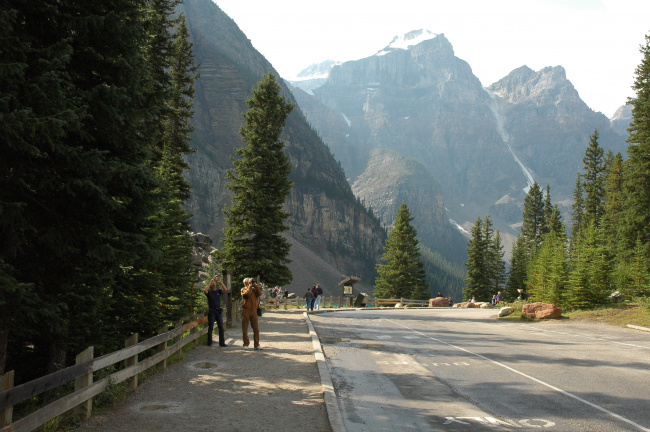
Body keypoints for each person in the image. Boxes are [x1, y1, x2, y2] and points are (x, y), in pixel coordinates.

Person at [204, 277, 228, 347]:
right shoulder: (209, 293)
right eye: (212, 283)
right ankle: (209, 342)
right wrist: (209, 283)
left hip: (218, 311)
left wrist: (220, 282)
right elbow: (205, 291)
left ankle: (222, 343)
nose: (213, 284)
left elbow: (225, 289)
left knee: (221, 327)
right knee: (211, 326)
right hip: (212, 311)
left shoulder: (218, 291)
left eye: (214, 283)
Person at [241, 277, 263, 350]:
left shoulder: (254, 290)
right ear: (245, 283)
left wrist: (255, 285)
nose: (249, 281)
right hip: (246, 310)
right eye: (248, 280)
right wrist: (250, 286)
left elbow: (259, 293)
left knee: (256, 328)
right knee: (245, 328)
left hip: (254, 310)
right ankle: (245, 344)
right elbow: (246, 295)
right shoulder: (243, 289)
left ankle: (256, 344)